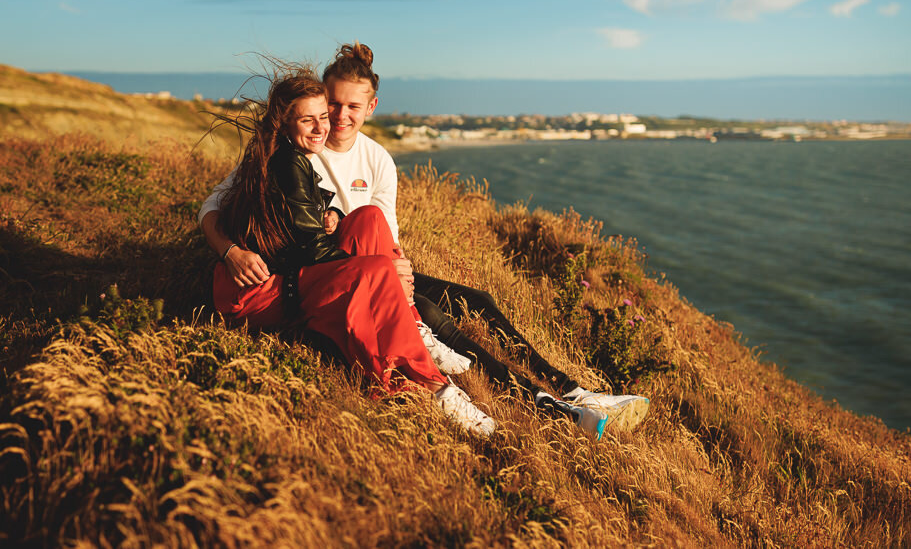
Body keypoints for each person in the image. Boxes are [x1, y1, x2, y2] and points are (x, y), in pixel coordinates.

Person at [201, 45, 650, 437]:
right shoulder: (282, 152)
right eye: (330, 105)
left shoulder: (375, 158)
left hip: (361, 258)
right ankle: (548, 407)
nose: (337, 118)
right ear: (317, 98)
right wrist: (231, 250)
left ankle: (571, 388)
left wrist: (394, 265)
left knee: (479, 301)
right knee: (440, 320)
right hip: (323, 270)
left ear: (371, 106)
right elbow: (213, 208)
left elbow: (383, 232)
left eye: (351, 108)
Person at [206, 69, 495, 437]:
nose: (322, 127)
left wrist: (334, 218)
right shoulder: (282, 162)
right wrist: (229, 250)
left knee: (369, 218)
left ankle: (410, 327)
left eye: (322, 117)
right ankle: (433, 386)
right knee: (374, 272)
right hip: (257, 290)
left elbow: (303, 225)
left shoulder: (300, 157)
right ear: (283, 121)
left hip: (289, 273)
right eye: (309, 119)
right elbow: (306, 246)